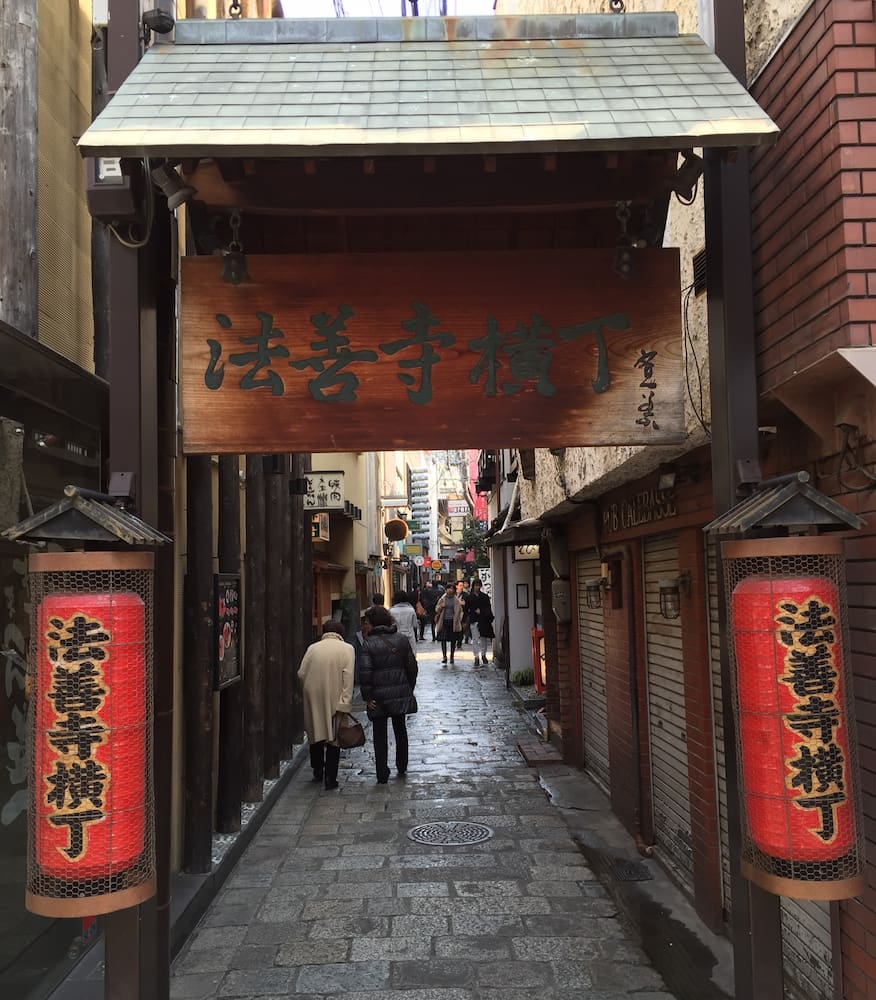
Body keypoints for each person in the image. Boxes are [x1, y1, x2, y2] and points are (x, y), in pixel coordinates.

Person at [359, 605, 418, 784]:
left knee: (379, 734)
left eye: (367, 622)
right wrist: (408, 687)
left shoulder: (368, 644)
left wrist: (367, 697)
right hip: (399, 691)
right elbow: (412, 667)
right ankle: (402, 765)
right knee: (400, 729)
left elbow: (365, 672)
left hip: (378, 695)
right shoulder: (401, 639)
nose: (365, 626)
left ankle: (382, 772)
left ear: (372, 623)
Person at [297, 621, 355, 790]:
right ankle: (331, 778)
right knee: (334, 738)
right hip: (335, 696)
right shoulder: (347, 649)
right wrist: (345, 702)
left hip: (313, 695)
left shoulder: (313, 648)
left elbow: (301, 673)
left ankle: (317, 769)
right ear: (340, 633)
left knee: (315, 732)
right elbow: (348, 677)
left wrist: (310, 687)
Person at [462, 577, 494, 666]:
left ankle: (483, 654)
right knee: (475, 639)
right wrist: (464, 620)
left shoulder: (484, 597)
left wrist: (482, 611)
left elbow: (488, 608)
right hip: (474, 619)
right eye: (476, 585)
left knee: (483, 638)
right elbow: (466, 609)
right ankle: (476, 656)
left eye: (479, 585)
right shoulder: (469, 597)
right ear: (473, 586)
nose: (477, 587)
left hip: (483, 620)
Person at [434, 581, 464, 665]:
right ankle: (444, 656)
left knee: (453, 640)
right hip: (444, 621)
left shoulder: (456, 600)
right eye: (448, 589)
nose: (449, 590)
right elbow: (436, 609)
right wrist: (441, 606)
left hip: (453, 621)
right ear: (445, 590)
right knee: (443, 640)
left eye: (451, 589)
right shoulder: (442, 598)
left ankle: (452, 656)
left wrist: (459, 619)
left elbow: (460, 611)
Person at [389, 590, 419, 657]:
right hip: (409, 636)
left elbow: (390, 625)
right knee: (410, 655)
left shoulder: (391, 611)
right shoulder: (411, 610)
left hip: (396, 637)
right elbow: (415, 625)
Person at [457, 579, 472, 644]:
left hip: (464, 614)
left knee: (464, 628)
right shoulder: (453, 594)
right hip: (455, 614)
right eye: (460, 585)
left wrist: (464, 603)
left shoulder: (466, 595)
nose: (461, 587)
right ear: (456, 586)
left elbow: (467, 604)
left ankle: (464, 639)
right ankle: (458, 640)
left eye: (462, 585)